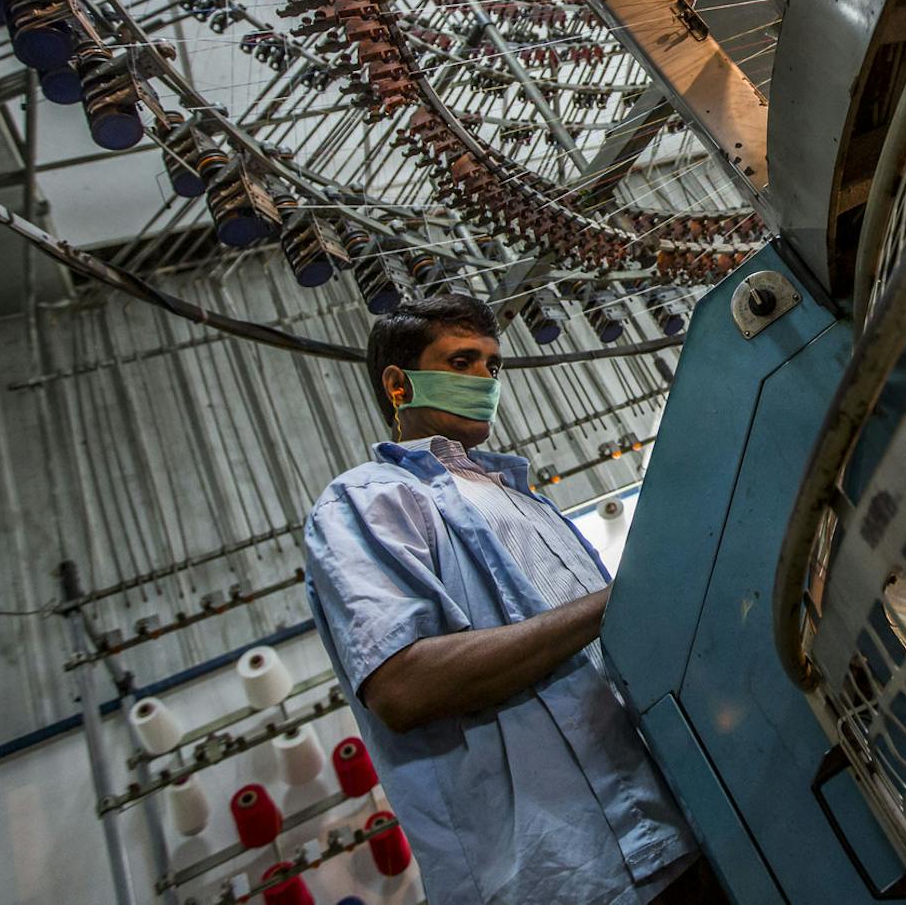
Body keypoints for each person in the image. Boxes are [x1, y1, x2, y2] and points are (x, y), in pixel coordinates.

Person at [303, 293, 717, 905]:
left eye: (493, 366)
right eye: (462, 362)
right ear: (398, 384)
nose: (485, 380)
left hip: (675, 829)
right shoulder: (370, 502)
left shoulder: (526, 499)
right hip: (568, 872)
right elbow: (402, 685)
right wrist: (623, 596)